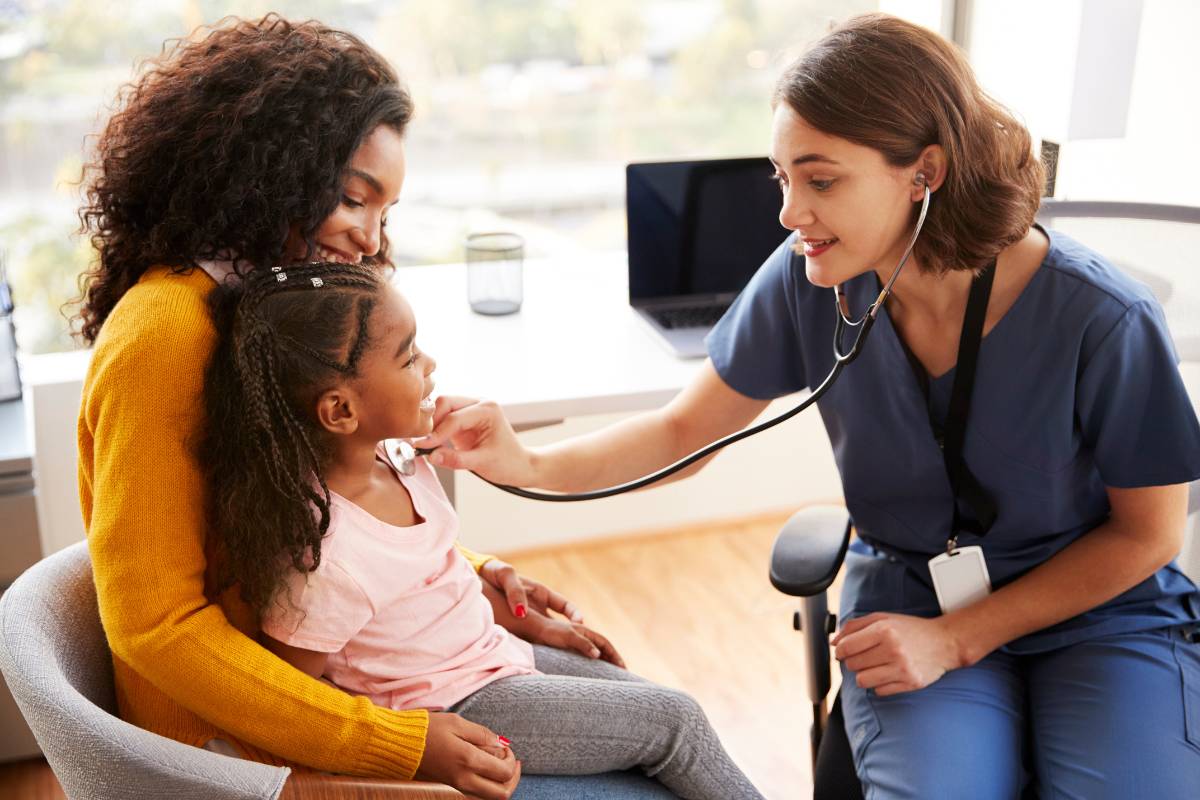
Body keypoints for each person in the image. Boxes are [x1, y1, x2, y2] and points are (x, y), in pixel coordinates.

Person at [416, 13, 1200, 799]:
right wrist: (522, 461)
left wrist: (962, 638)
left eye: (821, 180)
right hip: (913, 595)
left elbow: (1150, 533)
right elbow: (684, 430)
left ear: (924, 172)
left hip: (1100, 610)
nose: (790, 213)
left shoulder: (1101, 315)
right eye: (782, 178)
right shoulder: (809, 278)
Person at [74, 15, 671, 799]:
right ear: (270, 169)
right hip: (233, 753)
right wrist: (396, 743)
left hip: (332, 685)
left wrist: (478, 578)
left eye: (384, 214)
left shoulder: (263, 313)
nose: (367, 238)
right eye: (356, 200)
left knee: (648, 726)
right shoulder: (165, 334)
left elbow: (320, 536)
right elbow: (157, 628)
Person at [195, 261, 765, 800]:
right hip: (458, 702)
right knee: (677, 720)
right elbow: (297, 699)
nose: (431, 366)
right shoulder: (328, 561)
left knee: (656, 702)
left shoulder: (397, 460)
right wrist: (409, 752)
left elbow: (431, 586)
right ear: (341, 411)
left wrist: (522, 618)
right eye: (409, 357)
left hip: (493, 654)